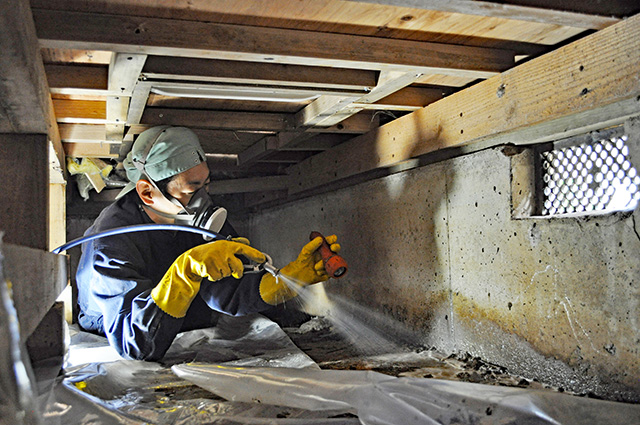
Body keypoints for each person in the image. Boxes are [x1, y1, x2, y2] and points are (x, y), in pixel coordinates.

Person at [75, 125, 340, 361]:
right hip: (114, 326)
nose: (203, 199)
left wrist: (287, 280)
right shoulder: (112, 241)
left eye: (206, 186)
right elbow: (134, 344)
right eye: (192, 190)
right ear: (147, 192)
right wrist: (183, 273)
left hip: (182, 322)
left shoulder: (198, 220)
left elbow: (227, 291)